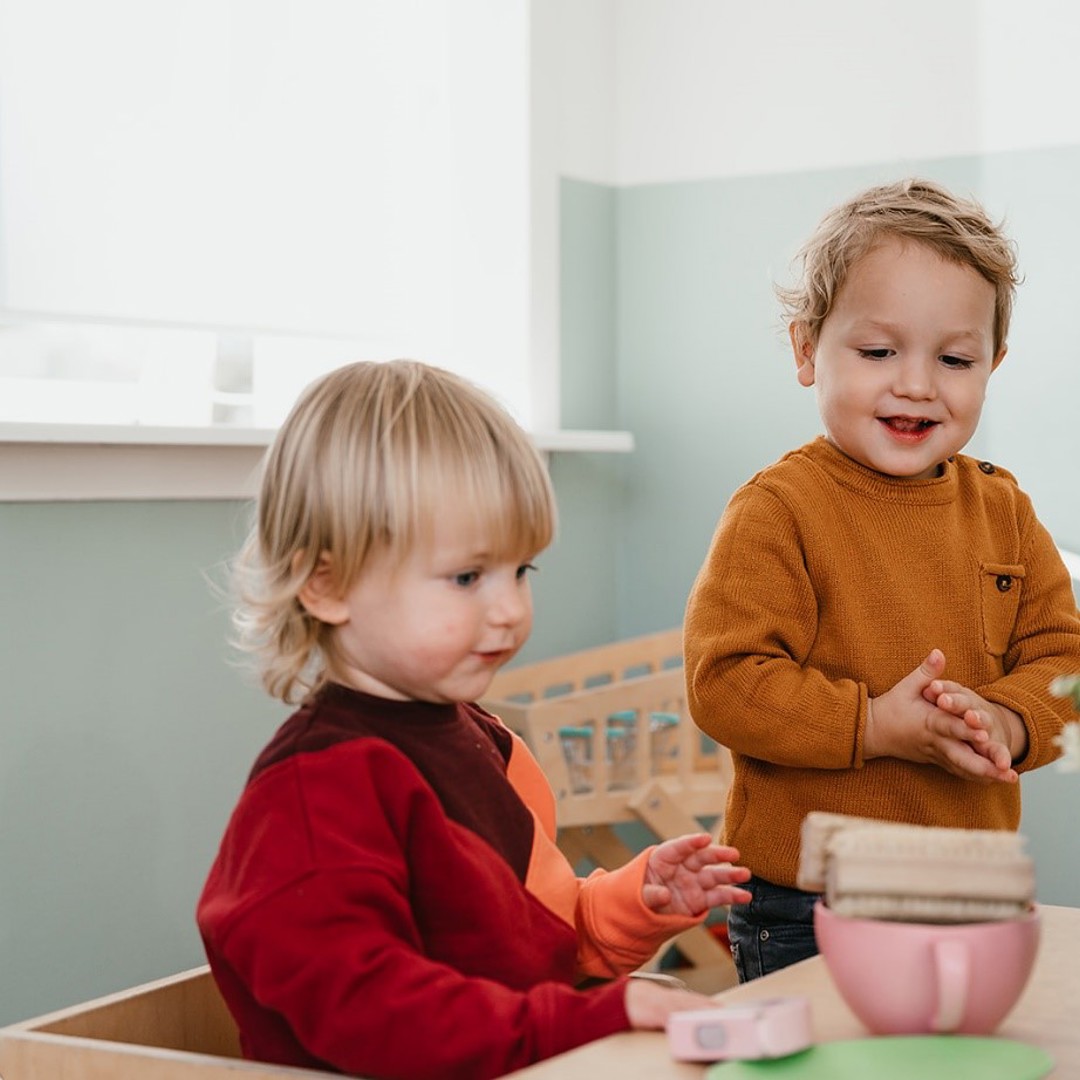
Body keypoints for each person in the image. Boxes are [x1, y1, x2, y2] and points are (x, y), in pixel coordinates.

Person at [197, 359, 752, 1080]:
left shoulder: (485, 742)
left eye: (522, 572)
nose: (510, 609)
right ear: (326, 585)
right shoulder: (316, 789)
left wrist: (632, 903)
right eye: (468, 578)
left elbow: (540, 939)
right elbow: (376, 1015)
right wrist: (582, 1022)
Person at [683, 178, 1080, 983]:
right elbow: (726, 682)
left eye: (955, 358)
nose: (917, 383)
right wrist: (872, 725)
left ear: (992, 365)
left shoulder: (1004, 508)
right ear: (806, 351)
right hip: (811, 898)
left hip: (968, 887)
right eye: (878, 352)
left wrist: (1008, 721)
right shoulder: (779, 509)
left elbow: (1065, 661)